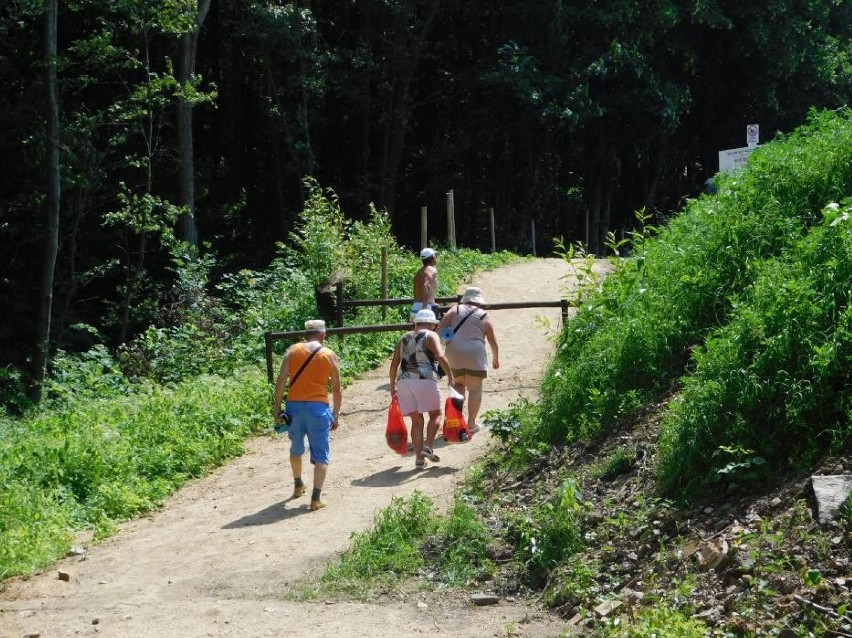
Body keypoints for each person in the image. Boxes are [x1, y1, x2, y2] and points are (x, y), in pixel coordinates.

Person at [273, 319, 342, 511]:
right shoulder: (329, 355)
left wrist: (277, 409)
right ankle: (316, 498)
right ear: (323, 335)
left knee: (295, 448)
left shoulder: (293, 351)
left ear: (306, 335)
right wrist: (336, 414)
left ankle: (297, 484)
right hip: (318, 408)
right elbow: (336, 389)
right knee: (321, 455)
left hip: (294, 407)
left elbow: (281, 380)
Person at [389, 309, 455, 468]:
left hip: (404, 381)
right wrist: (451, 376)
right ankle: (428, 446)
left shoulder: (403, 337)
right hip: (425, 379)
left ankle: (419, 459)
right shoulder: (431, 336)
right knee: (436, 415)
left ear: (415, 323)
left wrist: (392, 386)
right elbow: (440, 356)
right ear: (433, 324)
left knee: (416, 420)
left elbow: (394, 363)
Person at [436, 286, 499, 434]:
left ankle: (455, 420)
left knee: (458, 386)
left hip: (454, 353)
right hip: (475, 355)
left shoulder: (454, 310)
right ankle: (471, 423)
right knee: (475, 389)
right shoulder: (484, 315)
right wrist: (496, 357)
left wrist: (444, 343)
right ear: (479, 300)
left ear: (466, 298)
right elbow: (492, 339)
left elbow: (439, 330)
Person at [410, 247, 439, 321]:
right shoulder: (431, 270)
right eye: (435, 256)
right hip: (426, 308)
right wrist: (425, 307)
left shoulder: (419, 272)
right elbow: (426, 285)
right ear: (433, 257)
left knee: (415, 332)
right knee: (428, 332)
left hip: (415, 307)